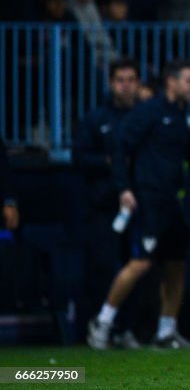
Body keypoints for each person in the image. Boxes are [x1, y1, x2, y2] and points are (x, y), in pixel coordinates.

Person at [87, 59, 190, 350]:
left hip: (174, 202)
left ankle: (166, 330)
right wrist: (124, 188)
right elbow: (120, 149)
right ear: (171, 82)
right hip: (149, 200)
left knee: (177, 265)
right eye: (188, 81)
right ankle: (102, 322)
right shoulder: (148, 112)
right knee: (140, 262)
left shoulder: (186, 116)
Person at [73, 58, 141, 346]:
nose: (126, 85)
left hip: (137, 207)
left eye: (131, 79)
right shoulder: (96, 119)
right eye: (120, 80)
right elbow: (80, 158)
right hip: (103, 206)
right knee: (102, 268)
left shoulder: (143, 118)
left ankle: (125, 328)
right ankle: (98, 326)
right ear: (111, 83)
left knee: (136, 267)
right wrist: (109, 162)